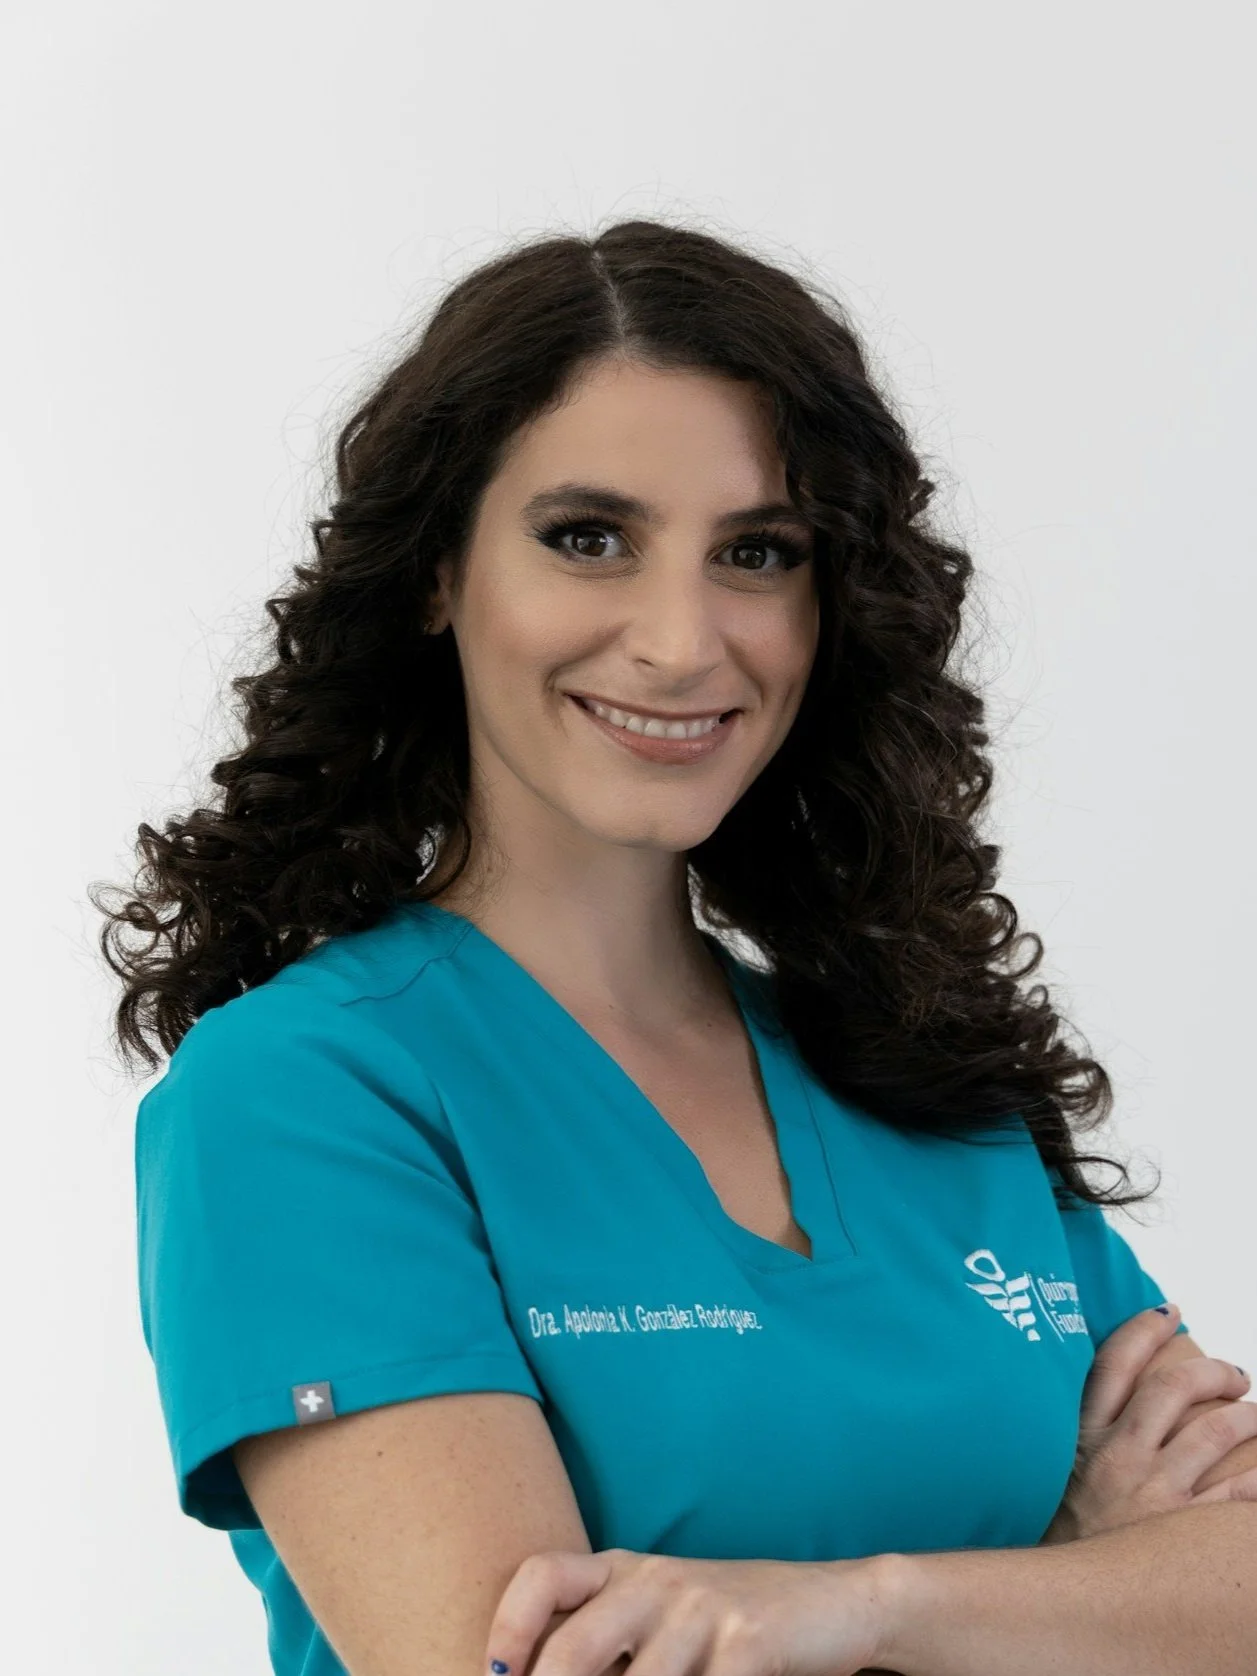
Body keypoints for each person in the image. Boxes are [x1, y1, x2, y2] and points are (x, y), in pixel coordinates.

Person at [95, 218, 1243, 1676]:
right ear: (438, 574)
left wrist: (870, 1607)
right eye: (589, 539)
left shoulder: (926, 1079)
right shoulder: (305, 1099)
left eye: (758, 553)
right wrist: (1076, 1584)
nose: (682, 639)